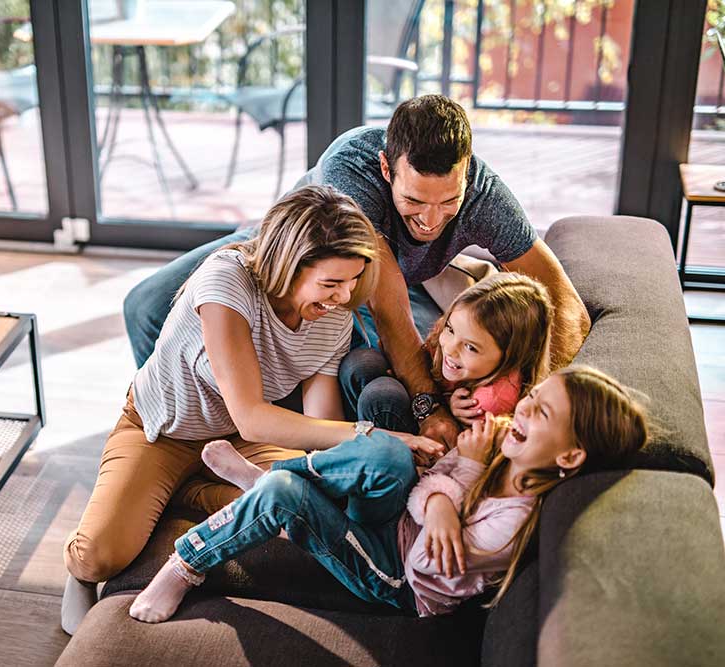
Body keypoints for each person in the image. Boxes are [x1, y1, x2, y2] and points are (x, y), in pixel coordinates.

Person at [62, 185, 445, 634]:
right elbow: (251, 413)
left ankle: (192, 488)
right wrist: (373, 436)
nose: (343, 297)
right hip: (164, 431)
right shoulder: (227, 282)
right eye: (330, 283)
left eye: (352, 282)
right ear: (288, 265)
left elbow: (316, 423)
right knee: (101, 555)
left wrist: (341, 461)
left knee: (314, 505)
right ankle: (102, 549)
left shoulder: (334, 311)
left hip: (244, 441)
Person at [122, 95, 590, 449]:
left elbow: (567, 305)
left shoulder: (487, 197)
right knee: (144, 306)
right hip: (286, 250)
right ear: (387, 169)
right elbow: (387, 310)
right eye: (413, 203)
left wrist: (533, 398)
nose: (430, 221)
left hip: (382, 284)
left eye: (449, 202)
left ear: (467, 173)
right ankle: (184, 440)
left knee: (446, 358)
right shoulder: (352, 170)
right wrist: (428, 411)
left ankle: (255, 432)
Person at [128, 366, 649, 622]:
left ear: (570, 457)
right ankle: (271, 483)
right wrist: (445, 488)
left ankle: (186, 563)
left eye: (543, 416)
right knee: (388, 455)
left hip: (395, 574)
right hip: (397, 524)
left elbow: (427, 562)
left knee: (285, 493)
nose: (525, 412)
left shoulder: (513, 524)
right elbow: (426, 491)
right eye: (532, 399)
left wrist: (458, 478)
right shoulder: (499, 453)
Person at [345, 272, 554, 434]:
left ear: (511, 357)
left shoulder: (491, 401)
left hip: (435, 448)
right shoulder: (450, 337)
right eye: (451, 330)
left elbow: (461, 451)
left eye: (471, 347)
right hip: (431, 403)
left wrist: (451, 413)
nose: (451, 349)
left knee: (382, 395)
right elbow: (428, 357)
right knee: (363, 362)